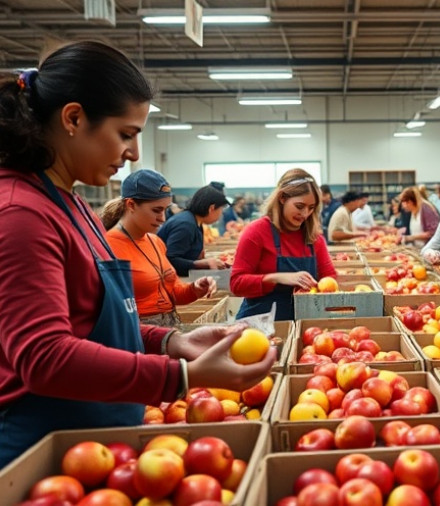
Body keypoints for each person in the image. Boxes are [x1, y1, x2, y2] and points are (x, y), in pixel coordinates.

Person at [0, 41, 274, 466]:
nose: (134, 154)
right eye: (125, 134)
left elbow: (101, 324)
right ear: (73, 118)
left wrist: (172, 341)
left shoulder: (71, 204)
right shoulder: (21, 212)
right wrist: (182, 377)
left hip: (96, 441)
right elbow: (45, 356)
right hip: (44, 452)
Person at [102, 170, 216, 326]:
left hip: (168, 329)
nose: (162, 218)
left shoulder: (155, 242)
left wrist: (195, 289)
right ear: (131, 205)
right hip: (137, 334)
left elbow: (173, 292)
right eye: (156, 210)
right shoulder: (107, 248)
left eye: (165, 210)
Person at [231, 169, 337, 321]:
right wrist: (276, 278)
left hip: (303, 326)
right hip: (257, 327)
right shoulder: (256, 232)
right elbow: (236, 284)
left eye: (311, 207)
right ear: (282, 198)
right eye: (300, 206)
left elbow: (329, 277)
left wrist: (319, 290)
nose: (305, 214)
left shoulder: (314, 238)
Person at [157, 184, 230, 276]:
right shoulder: (186, 224)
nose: (221, 215)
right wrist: (201, 264)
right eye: (221, 210)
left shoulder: (195, 222)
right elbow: (170, 260)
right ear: (211, 208)